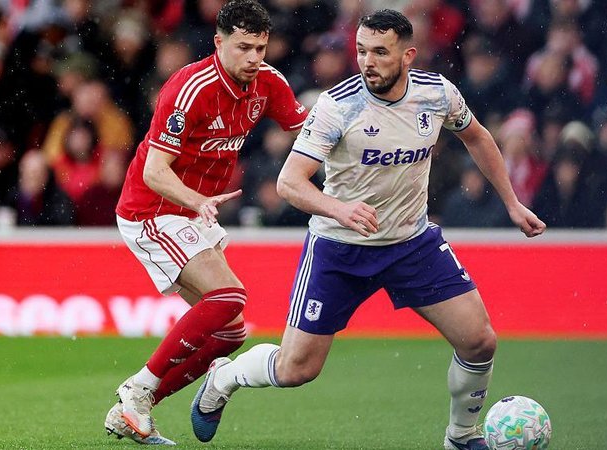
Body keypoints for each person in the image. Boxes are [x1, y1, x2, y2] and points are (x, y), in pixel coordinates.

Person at [191, 9, 545, 450]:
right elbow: (289, 182)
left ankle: (461, 436)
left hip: (411, 243)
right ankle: (224, 377)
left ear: (408, 55)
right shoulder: (338, 105)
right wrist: (338, 209)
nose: (367, 61)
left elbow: (477, 137)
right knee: (297, 369)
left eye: (380, 51)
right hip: (340, 249)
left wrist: (511, 202)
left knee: (479, 341)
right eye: (361, 50)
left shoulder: (437, 95)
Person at [105, 0, 307, 445]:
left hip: (193, 211)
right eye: (244, 47)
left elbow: (304, 127)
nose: (254, 58)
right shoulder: (190, 88)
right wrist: (199, 200)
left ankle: (133, 410)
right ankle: (137, 388)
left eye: (261, 47)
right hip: (152, 209)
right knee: (230, 294)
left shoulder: (268, 83)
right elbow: (155, 171)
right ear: (219, 43)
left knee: (230, 331)